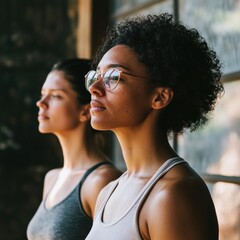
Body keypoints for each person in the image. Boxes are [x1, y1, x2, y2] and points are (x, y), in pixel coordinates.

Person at [84, 13, 224, 240]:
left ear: (159, 97)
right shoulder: (108, 193)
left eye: (112, 76)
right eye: (95, 76)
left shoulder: (173, 194)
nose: (95, 88)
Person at [26, 58, 122, 240]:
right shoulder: (52, 178)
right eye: (43, 93)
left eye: (55, 96)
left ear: (86, 111)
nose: (41, 102)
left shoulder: (102, 180)